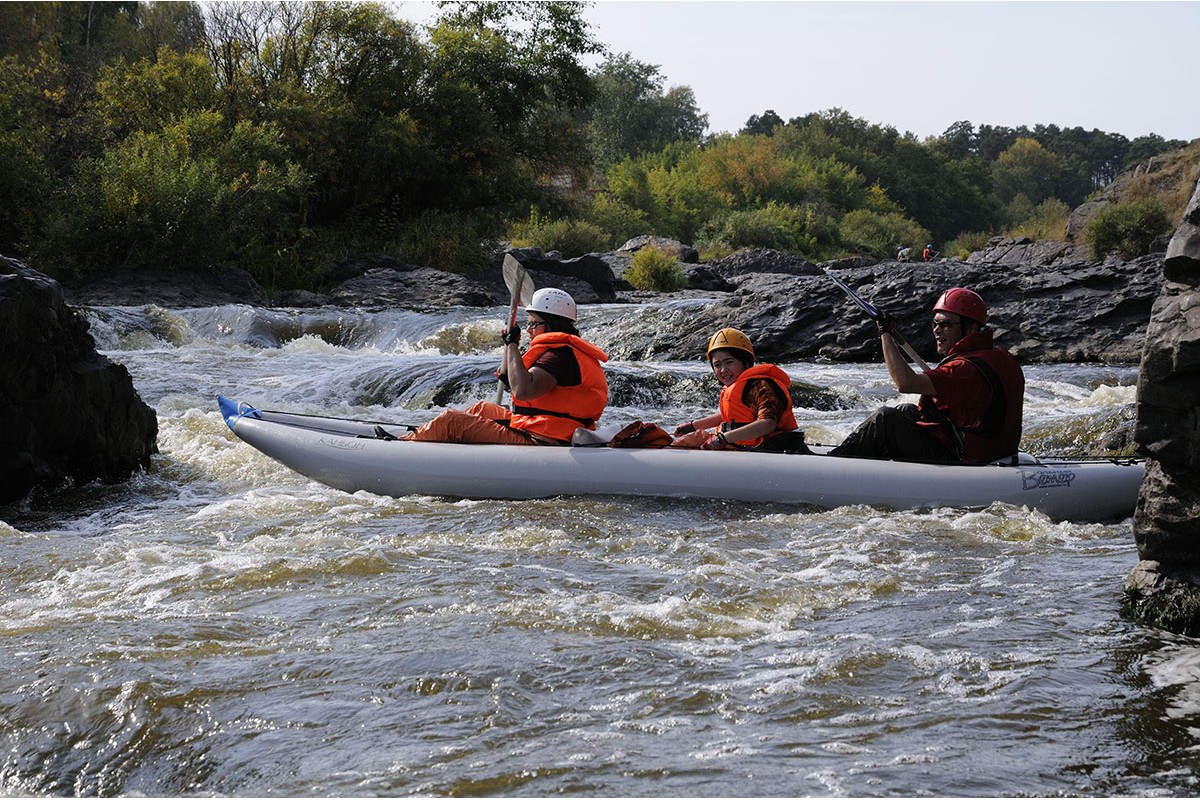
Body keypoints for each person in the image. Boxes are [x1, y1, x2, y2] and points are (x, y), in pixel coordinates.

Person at [829, 288, 1024, 464]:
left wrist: (885, 334)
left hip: (967, 460)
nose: (937, 330)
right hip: (994, 451)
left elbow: (906, 383)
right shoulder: (999, 356)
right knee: (907, 411)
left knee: (885, 419)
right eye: (935, 323)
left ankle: (834, 466)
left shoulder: (964, 369)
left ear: (971, 328)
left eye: (946, 324)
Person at [401, 288, 609, 445]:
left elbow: (524, 390)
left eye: (533, 324)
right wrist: (510, 375)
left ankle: (406, 446)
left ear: (551, 323)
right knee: (480, 408)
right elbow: (537, 392)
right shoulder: (563, 352)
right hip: (544, 427)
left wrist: (511, 344)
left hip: (545, 438)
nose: (528, 329)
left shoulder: (558, 356)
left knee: (452, 421)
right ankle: (420, 436)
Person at [671, 328, 806, 452]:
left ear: (746, 362)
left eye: (729, 362)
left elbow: (768, 423)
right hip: (741, 446)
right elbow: (729, 417)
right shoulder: (735, 388)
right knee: (691, 439)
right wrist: (693, 426)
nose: (723, 370)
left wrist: (723, 439)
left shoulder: (761, 385)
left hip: (772, 448)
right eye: (717, 365)